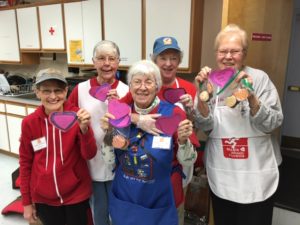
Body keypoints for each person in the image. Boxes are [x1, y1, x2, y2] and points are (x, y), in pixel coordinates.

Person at [194, 24, 283, 225]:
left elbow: (274, 122)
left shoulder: (259, 79)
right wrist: (201, 96)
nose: (228, 56)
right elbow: (205, 126)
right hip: (223, 171)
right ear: (216, 53)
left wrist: (251, 97)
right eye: (223, 51)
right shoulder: (209, 81)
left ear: (244, 53)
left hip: (256, 172)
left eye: (235, 51)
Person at [101, 60, 197, 225]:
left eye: (149, 82)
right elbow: (109, 160)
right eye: (137, 82)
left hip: (158, 202)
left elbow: (188, 161)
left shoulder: (173, 113)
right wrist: (108, 134)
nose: (142, 87)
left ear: (157, 86)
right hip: (125, 199)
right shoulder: (119, 112)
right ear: (130, 87)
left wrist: (182, 141)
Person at [120, 36, 203, 224]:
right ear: (153, 60)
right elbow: (116, 111)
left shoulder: (188, 88)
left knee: (173, 207)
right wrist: (138, 119)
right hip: (141, 173)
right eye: (162, 58)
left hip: (175, 164)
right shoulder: (143, 85)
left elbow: (195, 128)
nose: (168, 63)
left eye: (173, 58)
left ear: (179, 61)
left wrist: (190, 113)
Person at [19, 68, 97, 225]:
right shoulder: (30, 123)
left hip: (76, 195)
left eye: (58, 90)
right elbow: (25, 163)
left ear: (66, 91)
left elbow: (89, 154)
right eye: (46, 91)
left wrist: (85, 129)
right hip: (43, 198)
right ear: (37, 92)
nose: (53, 96)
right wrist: (27, 202)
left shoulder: (77, 116)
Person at [68, 40, 129, 225]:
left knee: (119, 213)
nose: (107, 63)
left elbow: (132, 129)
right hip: (89, 164)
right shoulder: (81, 90)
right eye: (101, 58)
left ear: (118, 62)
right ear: (94, 62)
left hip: (119, 165)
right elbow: (69, 121)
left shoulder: (127, 91)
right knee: (98, 213)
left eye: (112, 58)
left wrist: (120, 106)